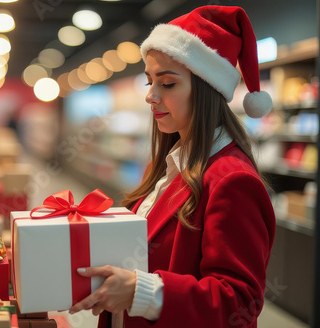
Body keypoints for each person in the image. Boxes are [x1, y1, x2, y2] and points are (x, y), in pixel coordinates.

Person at [68, 5, 276, 328]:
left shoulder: (232, 181)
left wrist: (141, 291)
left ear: (206, 88)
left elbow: (240, 302)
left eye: (167, 84)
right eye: (149, 81)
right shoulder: (169, 166)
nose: (150, 96)